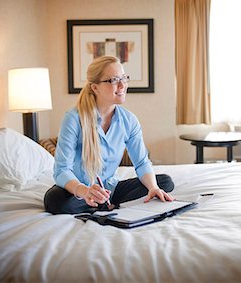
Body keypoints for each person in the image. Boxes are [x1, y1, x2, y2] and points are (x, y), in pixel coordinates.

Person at [44, 55, 175, 214]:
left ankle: (104, 202)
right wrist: (84, 191)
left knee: (165, 182)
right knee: (54, 200)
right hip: (79, 190)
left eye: (123, 78)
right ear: (95, 87)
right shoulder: (73, 119)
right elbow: (61, 170)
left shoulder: (129, 121)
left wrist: (153, 188)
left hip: (111, 190)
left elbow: (141, 163)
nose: (122, 85)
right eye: (113, 80)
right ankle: (100, 204)